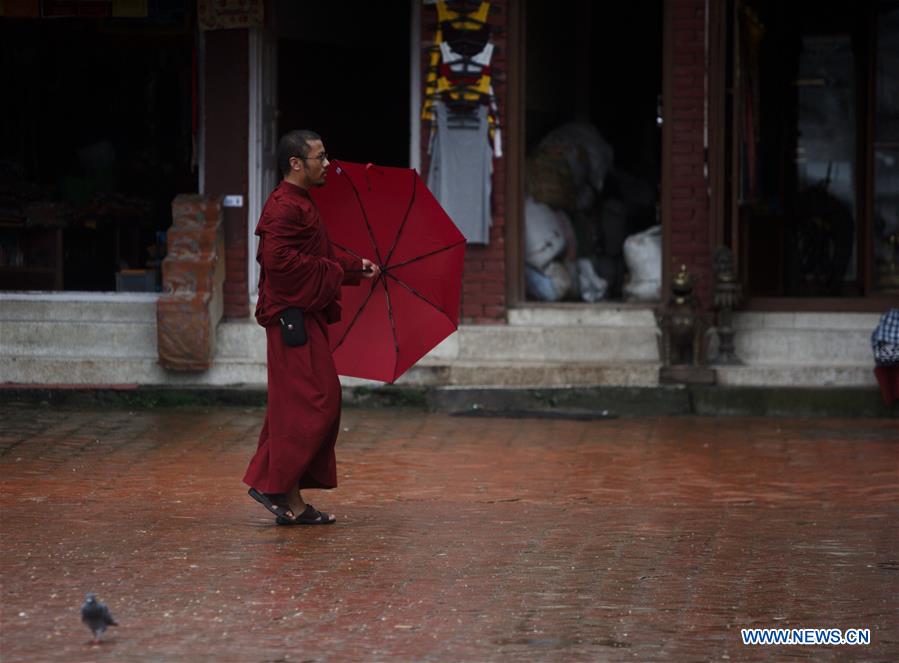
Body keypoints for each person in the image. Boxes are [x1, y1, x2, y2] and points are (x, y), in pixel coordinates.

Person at [243, 130, 380, 525]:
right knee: (317, 400)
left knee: (297, 404)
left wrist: (355, 268)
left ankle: (287, 495)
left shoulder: (301, 202)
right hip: (291, 320)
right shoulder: (283, 207)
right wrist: (336, 271)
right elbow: (280, 264)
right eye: (320, 157)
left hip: (303, 316)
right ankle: (275, 486)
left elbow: (316, 253)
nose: (327, 164)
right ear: (296, 164)